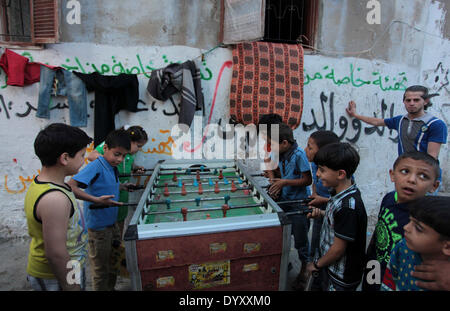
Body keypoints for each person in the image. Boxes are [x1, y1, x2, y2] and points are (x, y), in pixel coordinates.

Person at [24, 123, 92, 291]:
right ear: (65, 158)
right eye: (82, 155)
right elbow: (56, 254)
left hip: (69, 267)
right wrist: (71, 285)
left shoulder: (52, 185)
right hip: (56, 276)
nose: (84, 161)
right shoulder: (55, 199)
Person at [346, 85, 447, 193]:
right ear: (404, 102)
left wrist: (423, 178)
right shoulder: (400, 120)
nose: (412, 103)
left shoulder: (435, 124)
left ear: (425, 101)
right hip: (406, 174)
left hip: (424, 176)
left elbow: (431, 157)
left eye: (416, 100)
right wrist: (355, 115)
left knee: (422, 209)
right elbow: (376, 122)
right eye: (408, 100)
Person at [362, 151, 440, 291]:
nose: (411, 180)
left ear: (434, 186)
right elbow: (379, 231)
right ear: (392, 175)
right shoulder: (389, 199)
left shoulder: (427, 219)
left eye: (423, 176)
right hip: (375, 268)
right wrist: (369, 260)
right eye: (405, 171)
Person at [67, 129, 134, 291]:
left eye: (124, 156)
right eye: (117, 154)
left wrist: (122, 186)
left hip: (112, 224)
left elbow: (104, 184)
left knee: (113, 264)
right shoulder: (96, 166)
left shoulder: (111, 166)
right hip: (99, 229)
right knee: (100, 269)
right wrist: (95, 200)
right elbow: (71, 186)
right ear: (105, 149)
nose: (120, 159)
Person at [306, 142, 367, 291]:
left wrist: (316, 264)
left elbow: (338, 249)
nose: (318, 174)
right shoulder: (339, 193)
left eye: (322, 170)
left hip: (340, 276)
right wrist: (321, 213)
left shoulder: (347, 207)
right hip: (330, 266)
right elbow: (336, 220)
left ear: (340, 174)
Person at [262, 122, 312, 290]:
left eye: (273, 143)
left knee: (301, 240)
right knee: (281, 234)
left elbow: (308, 180)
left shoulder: (299, 155)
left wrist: (284, 182)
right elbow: (268, 161)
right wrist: (273, 180)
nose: (271, 147)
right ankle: (284, 262)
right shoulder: (280, 152)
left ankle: (305, 269)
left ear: (284, 143)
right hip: (285, 201)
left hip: (298, 204)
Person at [87, 125, 148, 238]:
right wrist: (110, 163)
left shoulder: (129, 154)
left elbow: (128, 164)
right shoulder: (114, 144)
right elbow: (92, 156)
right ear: (129, 141)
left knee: (119, 228)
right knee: (105, 231)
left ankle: (117, 249)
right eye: (138, 146)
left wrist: (135, 168)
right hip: (108, 192)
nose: (139, 150)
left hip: (122, 191)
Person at [381, 196, 450, 291]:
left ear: (447, 247)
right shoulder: (403, 248)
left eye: (418, 228)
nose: (406, 227)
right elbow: (389, 280)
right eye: (410, 221)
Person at [304, 130, 340, 290]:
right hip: (319, 204)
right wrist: (314, 195)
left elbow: (341, 201)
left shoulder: (338, 172)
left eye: (310, 147)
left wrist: (322, 200)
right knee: (316, 239)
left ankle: (322, 271)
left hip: (331, 208)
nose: (306, 150)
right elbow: (313, 180)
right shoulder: (314, 164)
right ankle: (312, 274)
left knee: (329, 243)